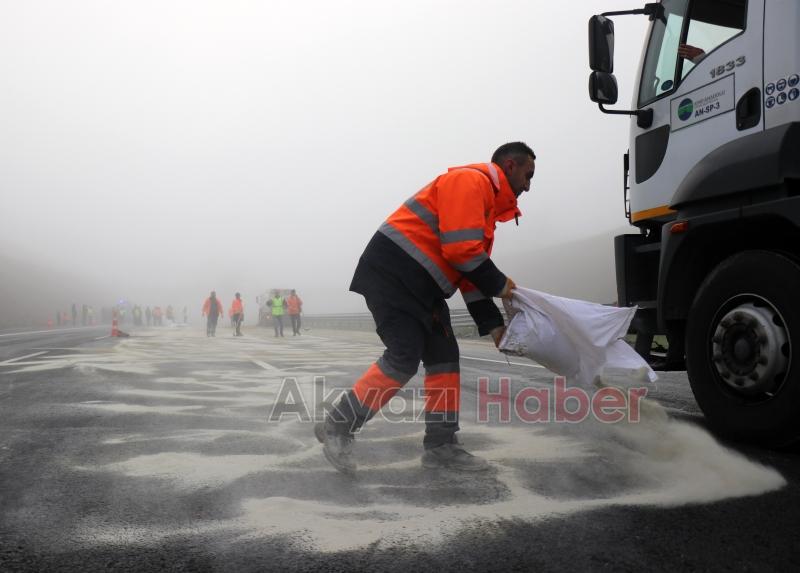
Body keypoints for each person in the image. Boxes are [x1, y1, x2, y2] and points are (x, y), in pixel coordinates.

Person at [315, 142, 535, 475]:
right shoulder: (471, 182)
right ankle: (338, 425)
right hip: (392, 275)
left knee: (444, 358)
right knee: (404, 355)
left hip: (425, 288)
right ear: (510, 164)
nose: (528, 186)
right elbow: (464, 253)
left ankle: (442, 446)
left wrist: (494, 326)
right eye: (527, 175)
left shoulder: (486, 209)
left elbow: (469, 272)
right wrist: (503, 285)